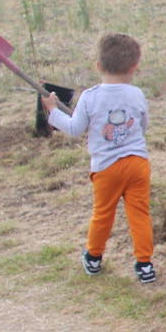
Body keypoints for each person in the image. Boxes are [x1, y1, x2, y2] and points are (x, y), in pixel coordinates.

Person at [43, 32, 156, 283]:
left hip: (106, 167)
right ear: (135, 66)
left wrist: (52, 112)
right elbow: (143, 125)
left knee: (103, 212)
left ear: (98, 66)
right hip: (138, 163)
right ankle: (145, 265)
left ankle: (93, 258)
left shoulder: (90, 97)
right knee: (139, 213)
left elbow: (74, 129)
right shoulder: (136, 94)